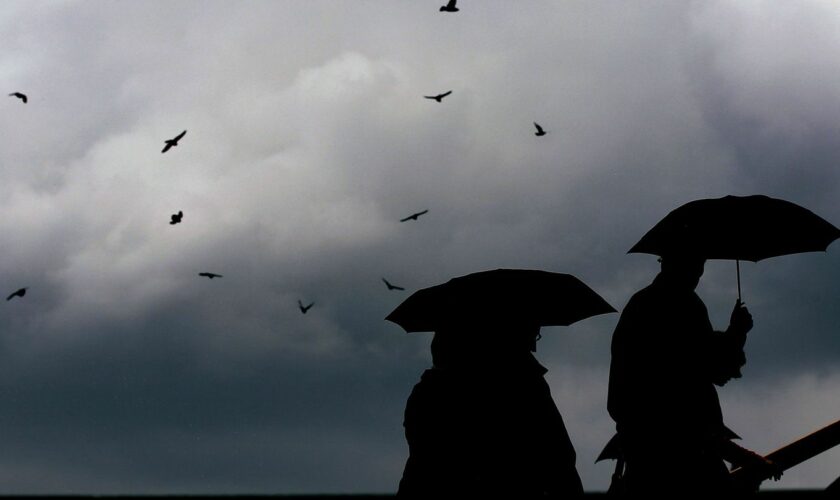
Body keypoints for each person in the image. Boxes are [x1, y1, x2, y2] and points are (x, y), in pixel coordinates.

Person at [606, 251, 780, 494]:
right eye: (697, 265)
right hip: (688, 462)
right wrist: (737, 332)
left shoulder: (638, 306)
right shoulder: (685, 306)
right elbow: (709, 371)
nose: (699, 274)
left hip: (644, 459)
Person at [397, 319, 584, 498]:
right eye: (532, 330)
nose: (536, 336)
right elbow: (559, 461)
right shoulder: (523, 385)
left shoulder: (428, 391)